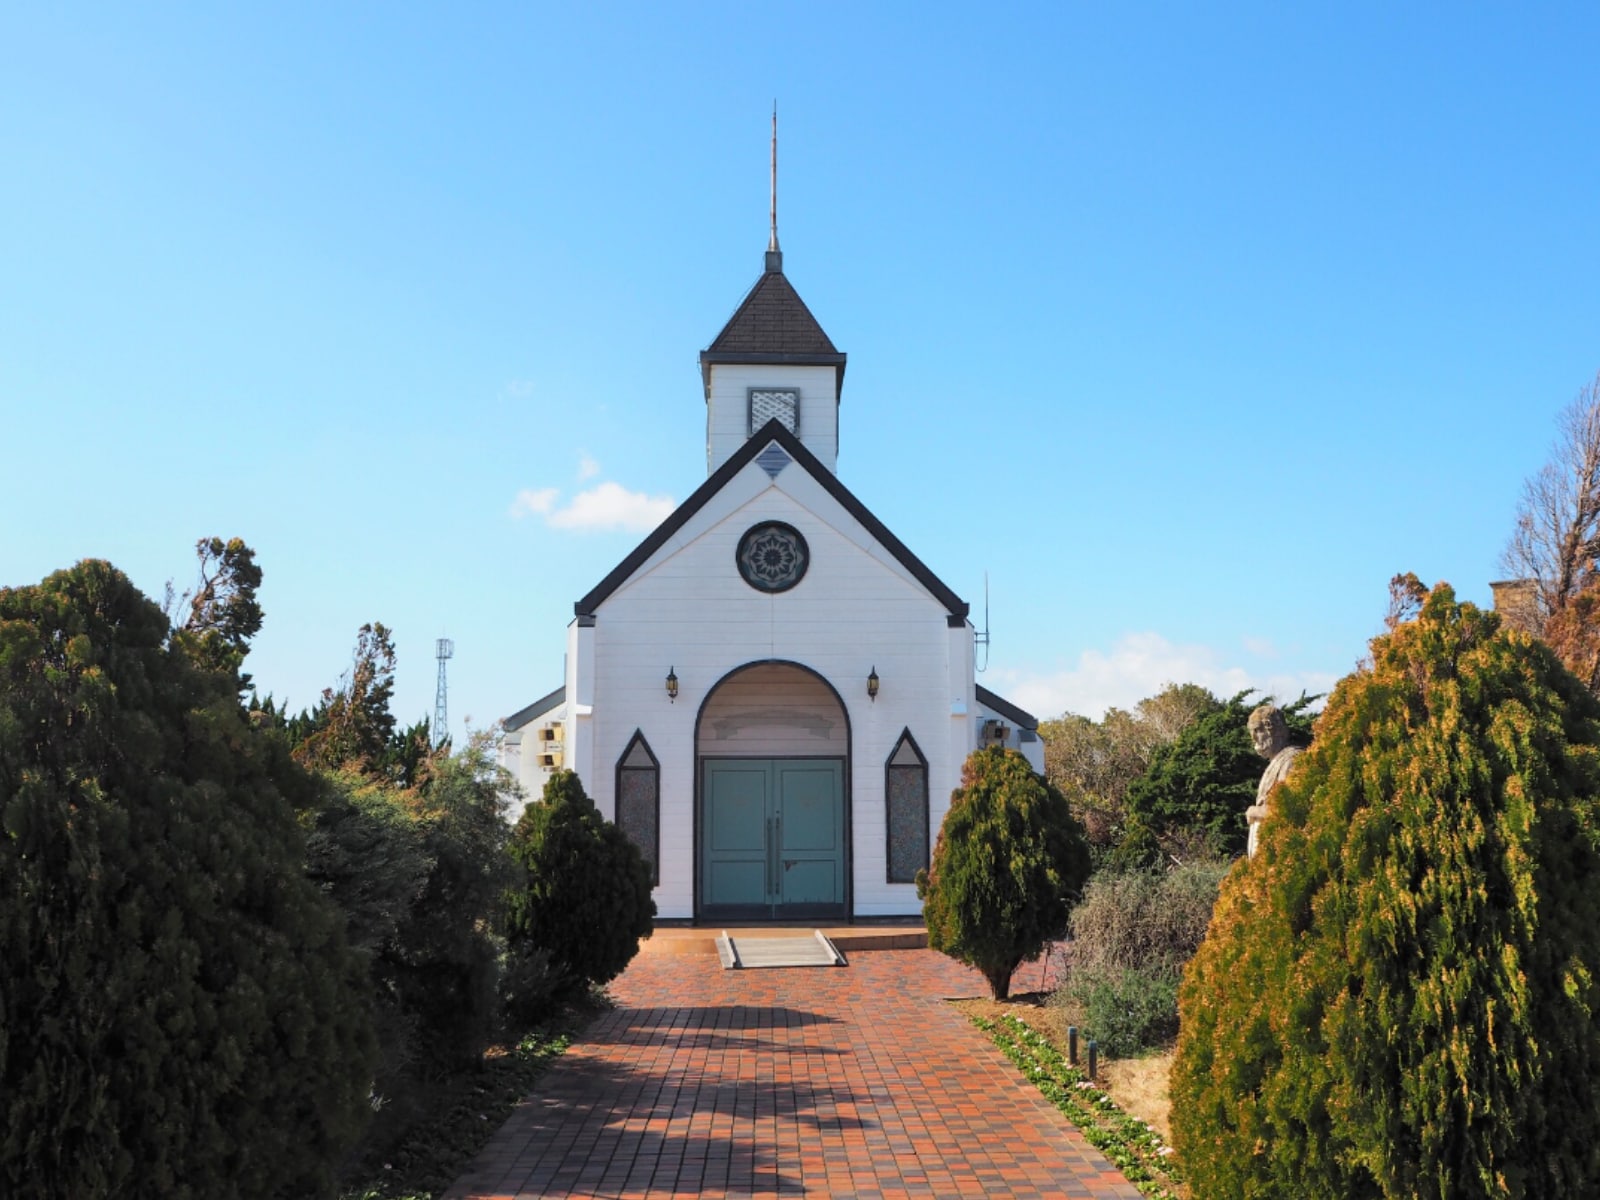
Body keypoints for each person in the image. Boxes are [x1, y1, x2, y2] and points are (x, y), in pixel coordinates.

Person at [1245, 704, 1302, 859]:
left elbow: (1287, 806)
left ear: (1272, 728)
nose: (1254, 738)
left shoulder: (1291, 760)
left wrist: (1255, 811)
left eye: (1257, 730)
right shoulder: (1276, 762)